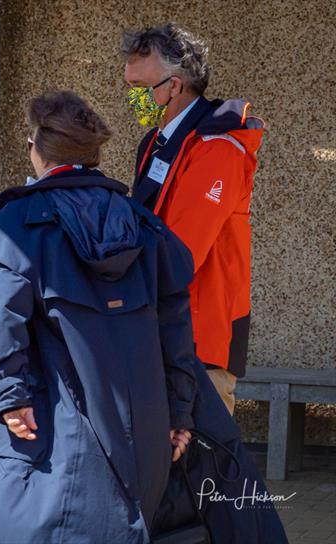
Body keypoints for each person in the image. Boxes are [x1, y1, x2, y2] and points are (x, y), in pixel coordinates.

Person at [0, 91, 199, 542]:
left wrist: (7, 395)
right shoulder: (145, 224)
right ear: (93, 152)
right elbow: (175, 329)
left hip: (42, 425)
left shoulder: (15, 225)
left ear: (35, 147)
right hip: (140, 424)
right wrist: (180, 411)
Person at [123, 24, 265, 414]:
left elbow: (180, 251)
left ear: (175, 86)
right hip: (164, 330)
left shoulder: (218, 148)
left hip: (201, 335)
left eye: (140, 88)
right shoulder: (159, 142)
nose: (133, 97)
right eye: (129, 87)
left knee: (203, 467)